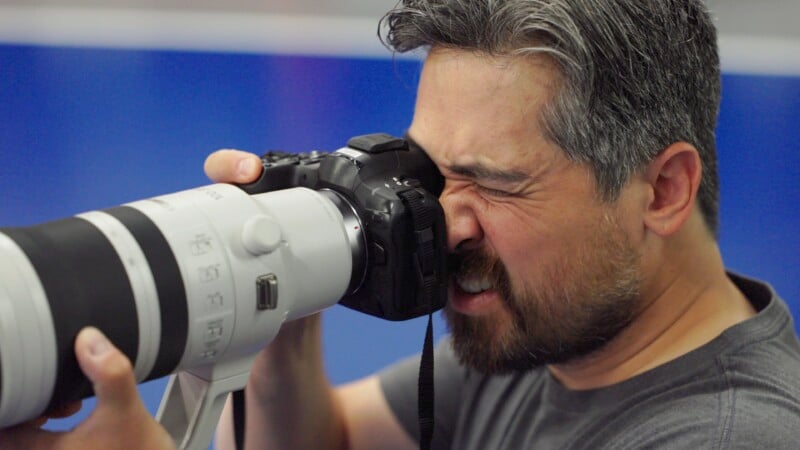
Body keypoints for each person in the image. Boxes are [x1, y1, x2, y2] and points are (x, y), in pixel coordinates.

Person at [2, 0, 800, 448]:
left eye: (495, 184)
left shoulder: (729, 436)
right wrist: (273, 294)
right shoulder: (559, 332)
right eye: (431, 171)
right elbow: (334, 442)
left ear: (662, 189)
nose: (445, 224)